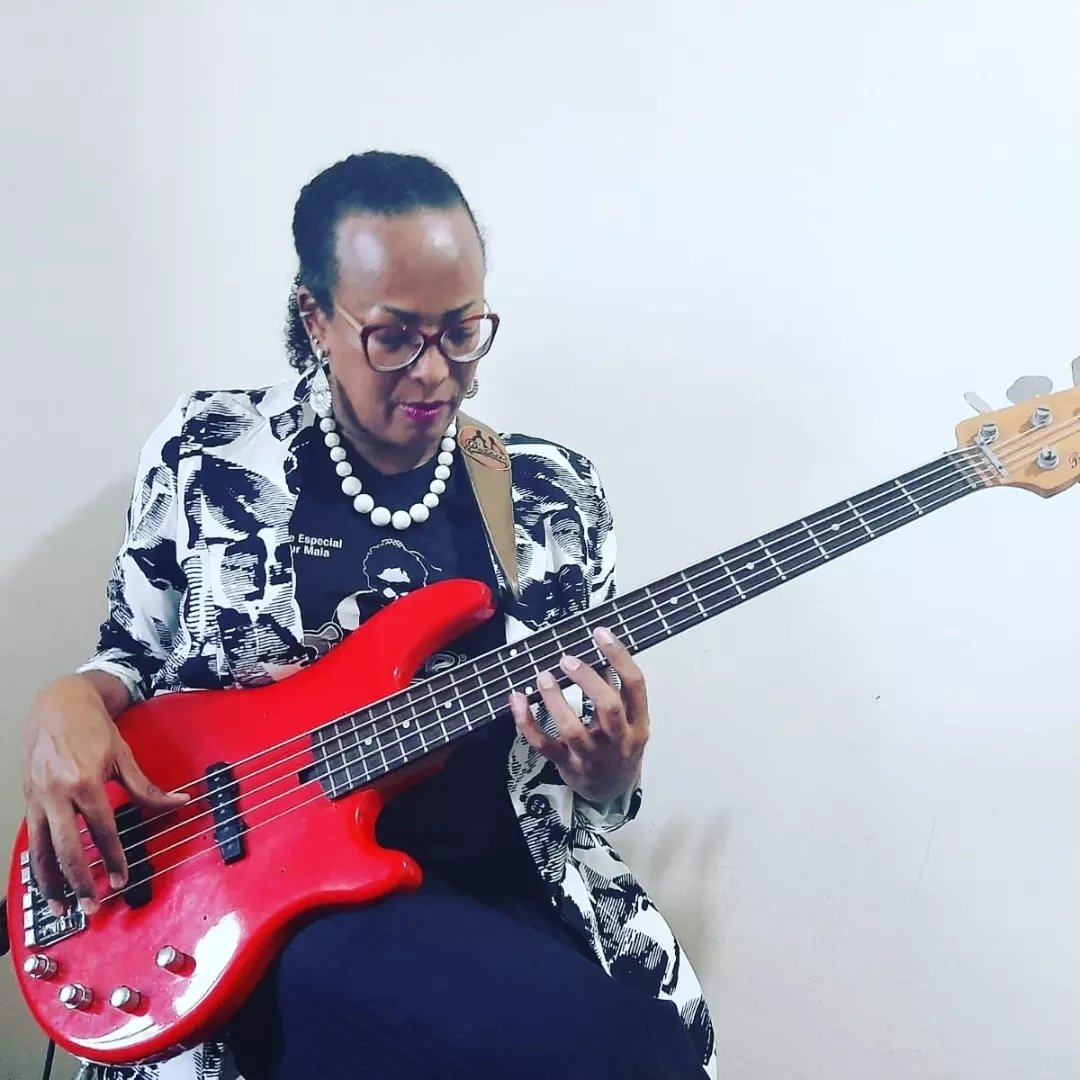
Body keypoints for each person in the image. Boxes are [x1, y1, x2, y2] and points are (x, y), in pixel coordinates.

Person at [8, 151, 717, 1080]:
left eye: (462, 332)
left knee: (645, 1047)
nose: (435, 373)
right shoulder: (211, 450)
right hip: (271, 906)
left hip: (499, 885)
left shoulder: (551, 495)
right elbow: (129, 657)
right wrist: (62, 703)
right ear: (316, 317)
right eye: (395, 337)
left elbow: (589, 797)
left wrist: (612, 770)